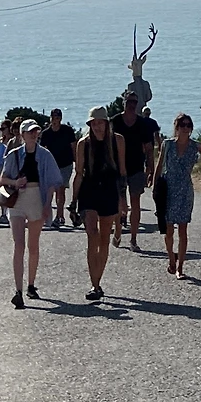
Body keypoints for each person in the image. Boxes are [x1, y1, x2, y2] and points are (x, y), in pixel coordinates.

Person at [0, 118, 63, 308]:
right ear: (22, 135)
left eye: (36, 131)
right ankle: (18, 291)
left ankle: (31, 285)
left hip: (36, 199)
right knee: (19, 245)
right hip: (17, 201)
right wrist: (15, 182)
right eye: (30, 131)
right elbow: (3, 179)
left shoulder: (45, 155)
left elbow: (52, 183)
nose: (34, 134)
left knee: (33, 246)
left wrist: (47, 205)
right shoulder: (14, 154)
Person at [72, 108, 125, 302]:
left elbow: (122, 171)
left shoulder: (117, 141)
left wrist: (123, 200)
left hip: (109, 191)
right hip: (89, 191)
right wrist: (73, 201)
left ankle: (98, 280)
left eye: (100, 122)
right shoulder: (83, 144)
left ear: (106, 123)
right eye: (93, 123)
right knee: (92, 234)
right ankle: (94, 285)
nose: (97, 127)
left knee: (104, 238)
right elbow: (79, 173)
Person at [155, 113, 199, 277]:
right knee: (168, 229)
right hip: (168, 189)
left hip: (185, 190)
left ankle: (180, 267)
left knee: (183, 229)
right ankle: (171, 259)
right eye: (182, 125)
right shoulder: (167, 144)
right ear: (176, 127)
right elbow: (160, 165)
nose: (185, 128)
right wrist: (155, 187)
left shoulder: (195, 146)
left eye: (188, 125)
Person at [112, 91, 155, 252]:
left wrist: (150, 168)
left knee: (135, 202)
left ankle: (133, 239)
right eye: (129, 101)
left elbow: (149, 148)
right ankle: (118, 230)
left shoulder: (142, 123)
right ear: (124, 102)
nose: (132, 105)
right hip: (117, 167)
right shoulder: (115, 121)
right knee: (119, 203)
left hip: (136, 167)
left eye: (134, 102)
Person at [41, 110, 77, 226]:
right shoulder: (46, 133)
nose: (55, 120)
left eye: (57, 118)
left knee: (61, 190)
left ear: (60, 119)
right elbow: (42, 150)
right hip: (52, 165)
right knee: (52, 190)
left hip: (66, 164)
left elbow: (73, 146)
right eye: (53, 118)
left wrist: (77, 161)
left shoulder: (67, 131)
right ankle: (52, 215)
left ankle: (59, 216)